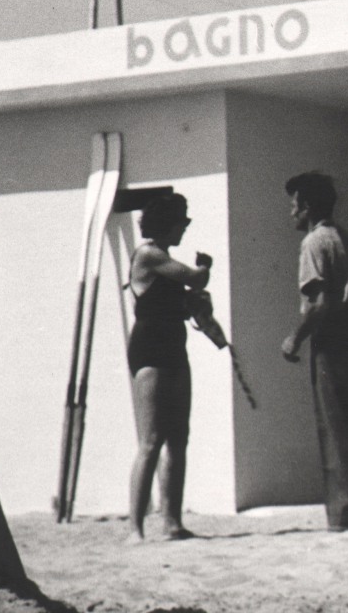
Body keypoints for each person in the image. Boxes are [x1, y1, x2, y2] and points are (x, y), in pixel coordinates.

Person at [281, 170, 348, 533]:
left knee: (336, 431)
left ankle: (343, 518)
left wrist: (295, 338)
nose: (291, 213)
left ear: (306, 207)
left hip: (335, 341)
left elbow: (319, 302)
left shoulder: (314, 243)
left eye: (294, 206)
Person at [126, 192, 209, 541]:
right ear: (167, 222)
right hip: (151, 348)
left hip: (175, 345)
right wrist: (206, 267)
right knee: (151, 440)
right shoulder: (149, 254)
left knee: (179, 437)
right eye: (182, 221)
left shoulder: (164, 260)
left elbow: (188, 295)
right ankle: (135, 528)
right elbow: (195, 277)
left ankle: (172, 522)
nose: (185, 227)